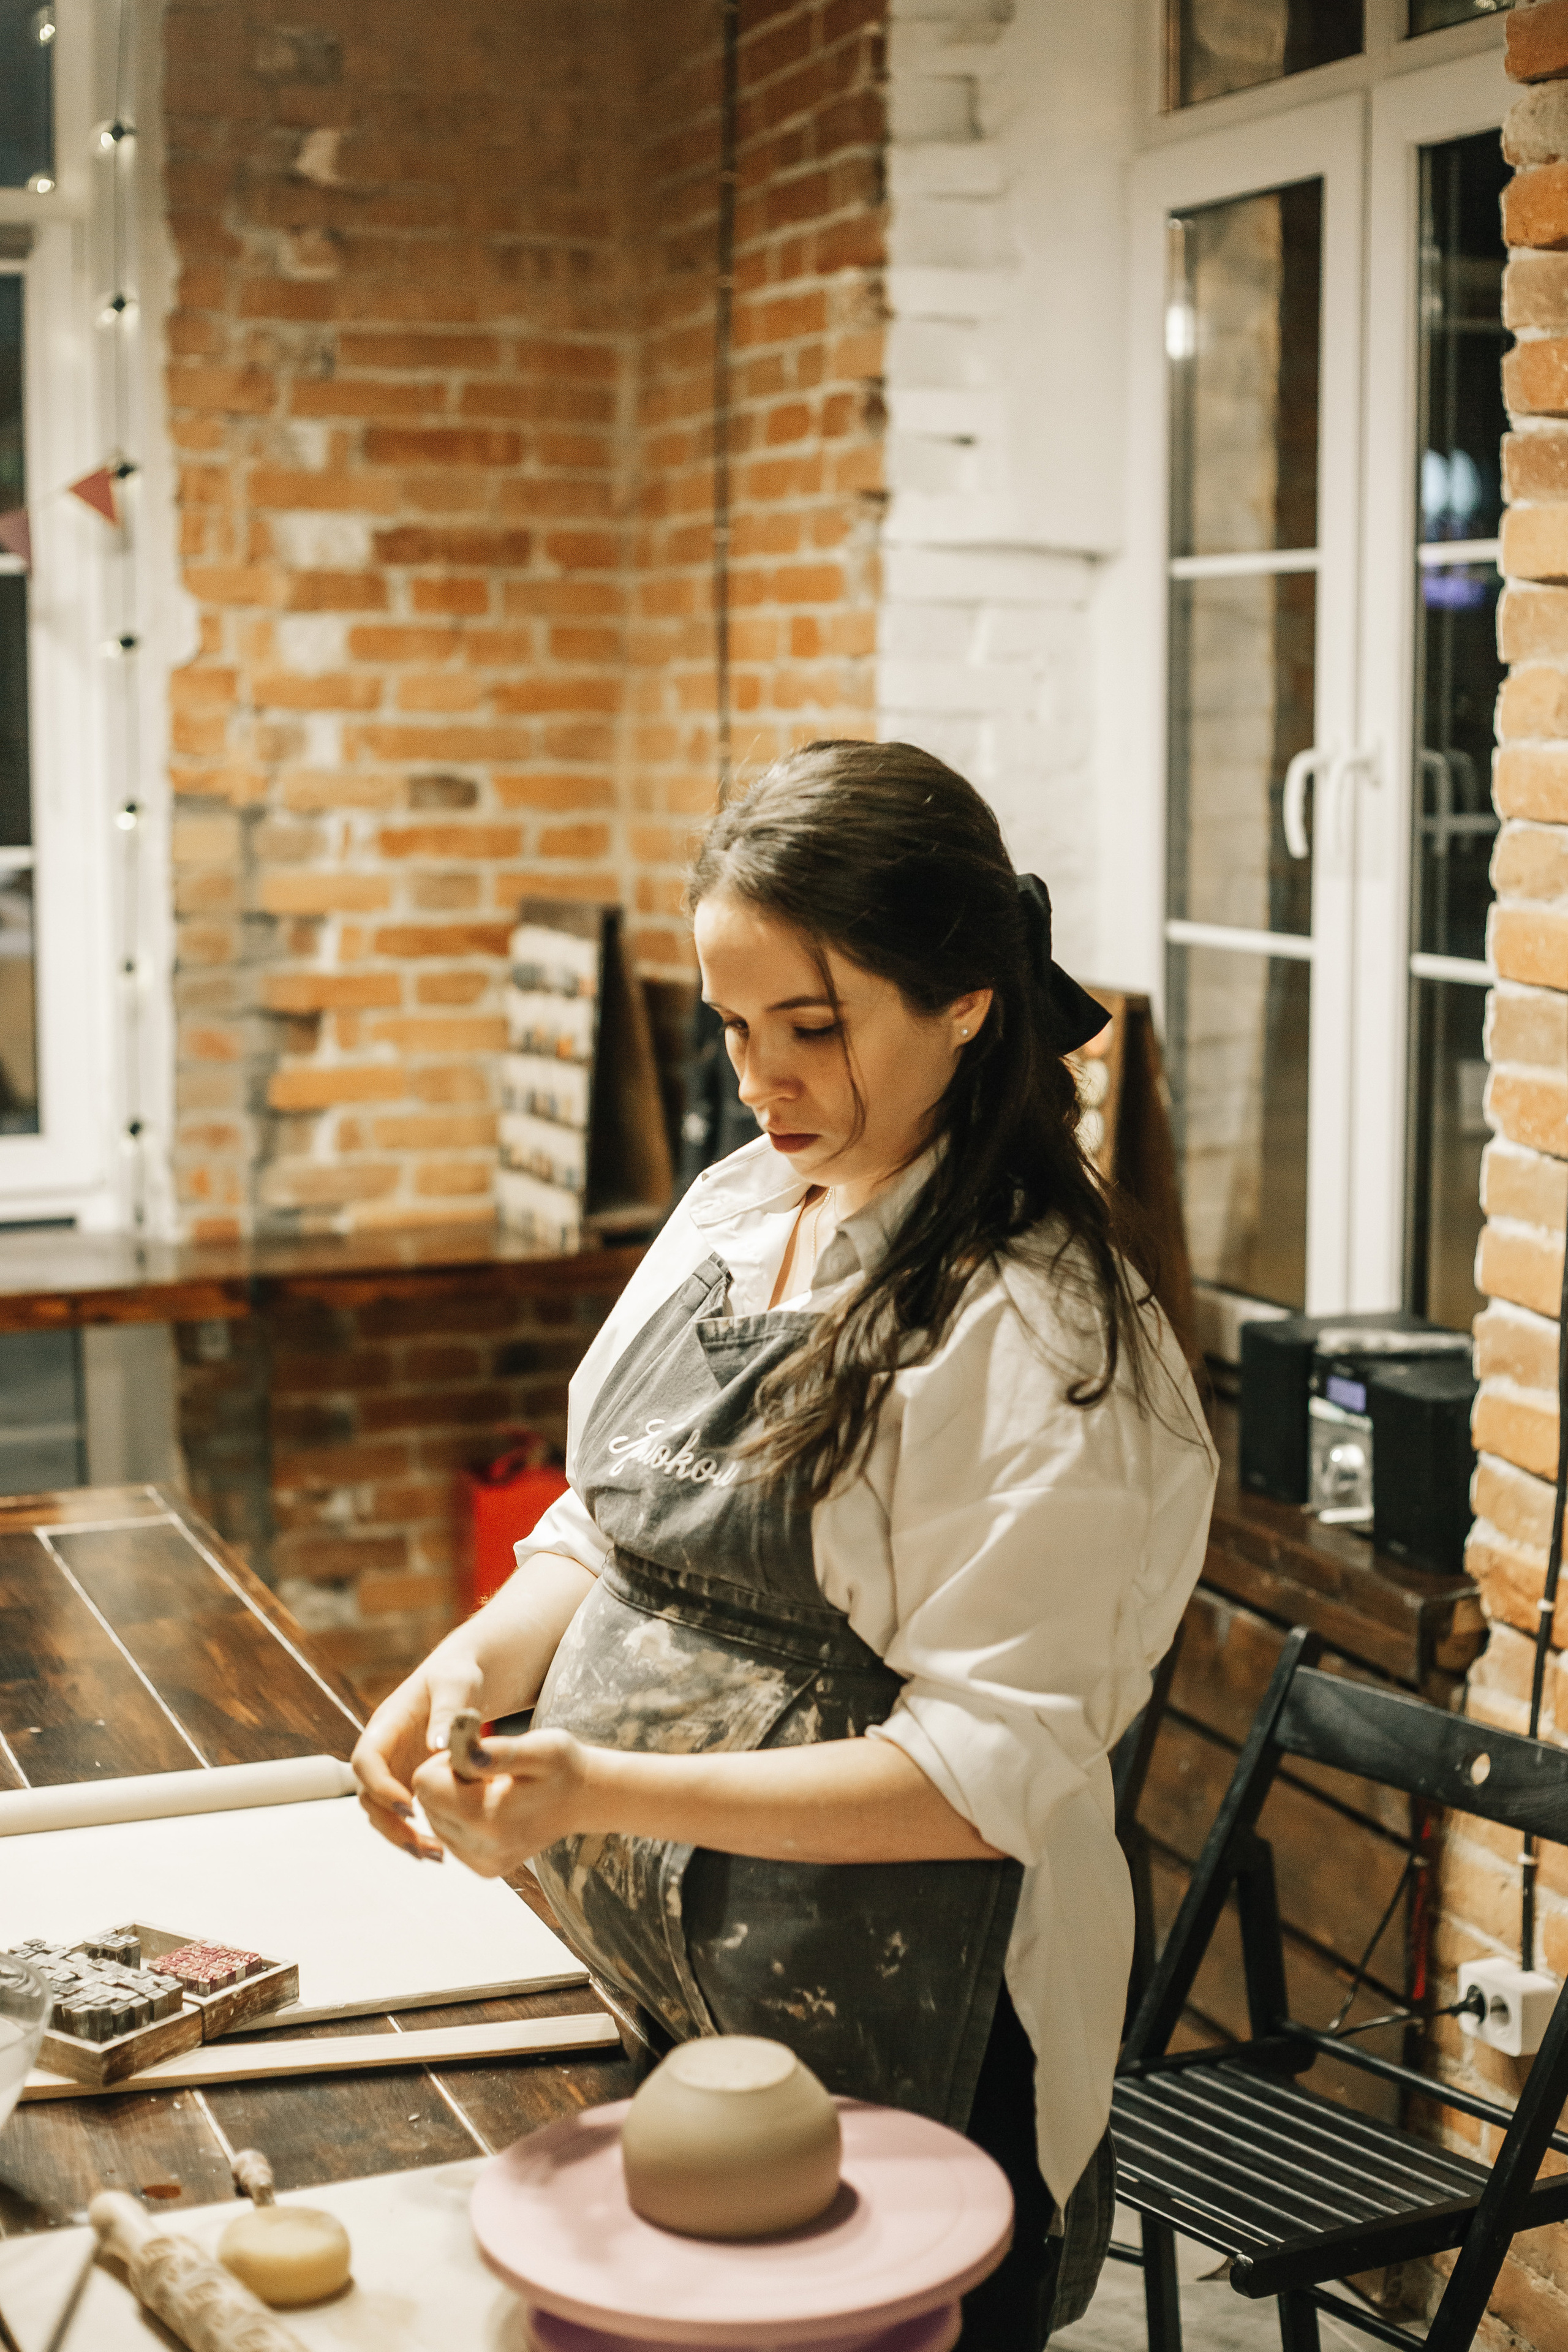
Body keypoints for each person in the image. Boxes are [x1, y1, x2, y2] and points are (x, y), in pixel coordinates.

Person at [352, 741, 1218, 2349]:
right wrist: (468, 1660)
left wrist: (601, 1784)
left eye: (812, 1029)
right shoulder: (743, 1208)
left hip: (893, 2044)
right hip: (638, 1999)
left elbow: (990, 1777)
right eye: (735, 1028)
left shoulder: (1046, 1339)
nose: (765, 1080)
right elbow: (612, 1524)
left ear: (966, 999)